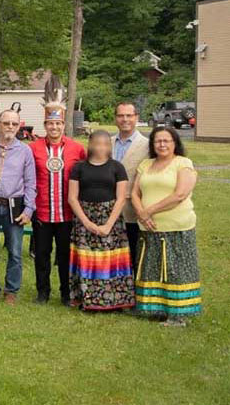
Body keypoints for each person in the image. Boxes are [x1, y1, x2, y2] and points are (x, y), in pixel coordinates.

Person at [131, 127, 199, 326]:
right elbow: (134, 193)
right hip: (149, 228)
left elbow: (180, 194)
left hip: (176, 227)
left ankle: (178, 315)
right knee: (152, 269)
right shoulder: (146, 164)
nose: (162, 144)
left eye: (166, 140)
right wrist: (141, 213)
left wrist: (149, 211)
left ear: (175, 143)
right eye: (157, 141)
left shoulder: (183, 163)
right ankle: (156, 309)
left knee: (175, 271)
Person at [66, 130, 134, 312]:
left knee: (111, 259)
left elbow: (121, 198)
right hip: (84, 217)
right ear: (90, 144)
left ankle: (114, 300)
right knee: (86, 259)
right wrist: (86, 222)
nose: (101, 147)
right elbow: (72, 197)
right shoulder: (79, 168)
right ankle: (87, 299)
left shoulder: (117, 167)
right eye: (97, 143)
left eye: (105, 144)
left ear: (109, 146)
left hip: (111, 218)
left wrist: (108, 224)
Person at [30, 98, 87, 305]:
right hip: (42, 212)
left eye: (58, 123)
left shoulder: (77, 149)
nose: (54, 127)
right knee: (42, 254)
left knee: (65, 256)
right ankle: (42, 292)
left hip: (67, 213)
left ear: (63, 125)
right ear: (45, 125)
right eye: (50, 123)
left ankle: (66, 293)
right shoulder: (33, 148)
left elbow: (85, 176)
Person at [0, 109, 36, 304]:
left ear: (19, 127)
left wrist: (28, 209)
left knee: (15, 252)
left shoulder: (25, 151)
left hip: (14, 206)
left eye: (14, 124)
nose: (10, 127)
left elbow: (31, 182)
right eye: (6, 123)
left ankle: (11, 290)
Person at [113, 101, 150, 272]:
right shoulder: (106, 142)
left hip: (132, 211)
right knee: (112, 257)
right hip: (108, 210)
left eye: (129, 115)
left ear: (136, 117)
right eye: (121, 115)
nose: (125, 119)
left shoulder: (148, 145)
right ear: (115, 118)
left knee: (134, 256)